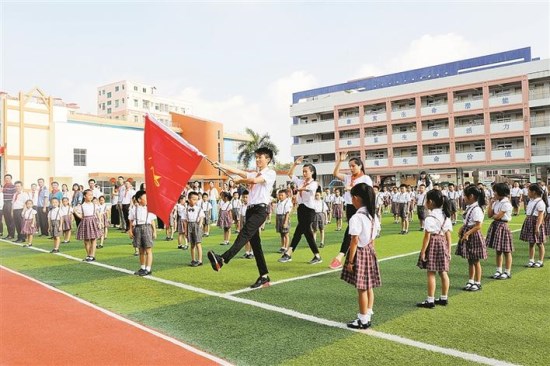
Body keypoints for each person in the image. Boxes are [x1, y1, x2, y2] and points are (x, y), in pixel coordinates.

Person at [206, 147, 276, 289]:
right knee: (256, 245)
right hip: (250, 210)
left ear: (267, 159)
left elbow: (255, 180)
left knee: (244, 234)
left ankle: (222, 259)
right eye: (256, 157)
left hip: (260, 210)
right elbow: (237, 171)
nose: (257, 159)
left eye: (260, 157)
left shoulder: (270, 173)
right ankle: (264, 277)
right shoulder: (253, 173)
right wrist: (220, 165)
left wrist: (239, 182)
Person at [341, 183, 381, 329]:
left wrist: (350, 261)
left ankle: (363, 320)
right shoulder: (373, 216)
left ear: (356, 198)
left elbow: (354, 240)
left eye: (352, 197)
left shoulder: (357, 217)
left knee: (362, 288)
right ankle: (368, 313)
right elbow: (373, 237)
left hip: (360, 252)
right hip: (370, 250)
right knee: (369, 285)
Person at [329, 153, 373, 269]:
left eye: (353, 166)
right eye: (349, 166)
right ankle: (353, 256)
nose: (351, 168)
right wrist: (340, 160)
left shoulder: (365, 178)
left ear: (360, 166)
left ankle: (340, 256)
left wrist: (352, 189)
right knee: (353, 232)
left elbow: (368, 193)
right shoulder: (348, 177)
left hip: (360, 207)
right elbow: (335, 174)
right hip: (350, 206)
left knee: (352, 232)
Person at [278, 156, 322, 265]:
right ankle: (317, 256)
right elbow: (290, 174)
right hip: (301, 209)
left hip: (309, 210)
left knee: (300, 231)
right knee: (307, 233)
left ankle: (288, 253)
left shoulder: (314, 183)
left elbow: (308, 189)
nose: (304, 173)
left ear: (312, 172)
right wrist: (295, 164)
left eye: (306, 171)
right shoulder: (300, 181)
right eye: (303, 171)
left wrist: (299, 189)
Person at [416, 189, 453, 308]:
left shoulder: (430, 217)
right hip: (442, 243)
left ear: (430, 202)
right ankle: (444, 298)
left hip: (433, 243)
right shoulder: (445, 215)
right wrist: (449, 250)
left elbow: (427, 237)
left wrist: (422, 252)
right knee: (443, 272)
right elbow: (448, 235)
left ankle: (430, 300)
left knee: (431, 272)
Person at [455, 185, 487, 292]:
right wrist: (462, 228)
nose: (463, 198)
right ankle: (471, 280)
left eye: (465, 195)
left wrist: (467, 233)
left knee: (476, 260)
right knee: (470, 259)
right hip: (468, 233)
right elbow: (467, 222)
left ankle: (477, 282)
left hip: (473, 235)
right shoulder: (471, 207)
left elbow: (478, 225)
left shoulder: (477, 209)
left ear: (471, 196)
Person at [486, 183, 514, 279]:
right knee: (498, 250)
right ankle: (498, 270)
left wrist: (495, 215)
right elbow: (489, 215)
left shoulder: (506, 203)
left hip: (503, 226)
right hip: (496, 225)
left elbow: (497, 216)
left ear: (500, 192)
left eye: (495, 191)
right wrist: (490, 204)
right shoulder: (496, 202)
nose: (494, 193)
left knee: (506, 250)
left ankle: (507, 271)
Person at [129, 190, 157, 276]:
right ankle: (142, 267)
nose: (147, 199)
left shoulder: (150, 208)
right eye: (145, 198)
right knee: (141, 249)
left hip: (147, 227)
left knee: (148, 249)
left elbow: (152, 221)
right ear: (139, 199)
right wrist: (130, 230)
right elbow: (131, 220)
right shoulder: (134, 209)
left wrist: (154, 231)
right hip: (137, 228)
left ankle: (148, 269)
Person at [520, 184, 547, 268]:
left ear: (534, 192)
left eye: (529, 191)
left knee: (539, 243)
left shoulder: (540, 202)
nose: (527, 192)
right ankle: (531, 260)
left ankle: (540, 261)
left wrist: (537, 227)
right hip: (529, 221)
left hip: (536, 223)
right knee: (531, 243)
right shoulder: (531, 200)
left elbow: (540, 216)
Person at [75, 189, 103, 262]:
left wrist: (99, 222)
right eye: (89, 195)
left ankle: (92, 255)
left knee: (94, 239)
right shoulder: (81, 206)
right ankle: (88, 255)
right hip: (85, 222)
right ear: (84, 196)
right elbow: (81, 216)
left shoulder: (94, 205)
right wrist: (75, 212)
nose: (91, 196)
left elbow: (98, 214)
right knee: (86, 240)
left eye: (91, 195)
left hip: (93, 222)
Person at [184, 191, 205, 267]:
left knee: (198, 243)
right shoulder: (185, 209)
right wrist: (185, 231)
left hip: (196, 225)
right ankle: (193, 259)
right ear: (189, 199)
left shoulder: (199, 209)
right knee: (192, 244)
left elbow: (202, 217)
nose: (195, 201)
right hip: (189, 225)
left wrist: (199, 225)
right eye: (193, 199)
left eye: (196, 199)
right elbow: (185, 221)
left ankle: (200, 260)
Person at [275, 189, 292, 254]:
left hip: (284, 217)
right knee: (281, 234)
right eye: (279, 195)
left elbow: (287, 213)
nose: (280, 196)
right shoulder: (279, 202)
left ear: (285, 195)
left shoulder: (287, 202)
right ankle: (282, 246)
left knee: (286, 234)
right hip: (279, 217)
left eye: (282, 195)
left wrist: (285, 222)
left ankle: (286, 247)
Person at [240, 190, 254, 259]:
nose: (245, 199)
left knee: (251, 238)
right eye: (244, 197)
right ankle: (247, 252)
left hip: (250, 222)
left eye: (246, 197)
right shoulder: (242, 205)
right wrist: (240, 226)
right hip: (244, 221)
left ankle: (251, 252)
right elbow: (241, 216)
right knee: (245, 239)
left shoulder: (251, 205)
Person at [2, 174, 17, 240]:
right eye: (6, 178)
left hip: (10, 203)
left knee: (11, 220)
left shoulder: (13, 186)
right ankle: (9, 234)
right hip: (4, 204)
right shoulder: (4, 186)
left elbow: (14, 196)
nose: (7, 179)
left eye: (8, 178)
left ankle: (11, 235)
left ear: (11, 179)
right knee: (6, 220)